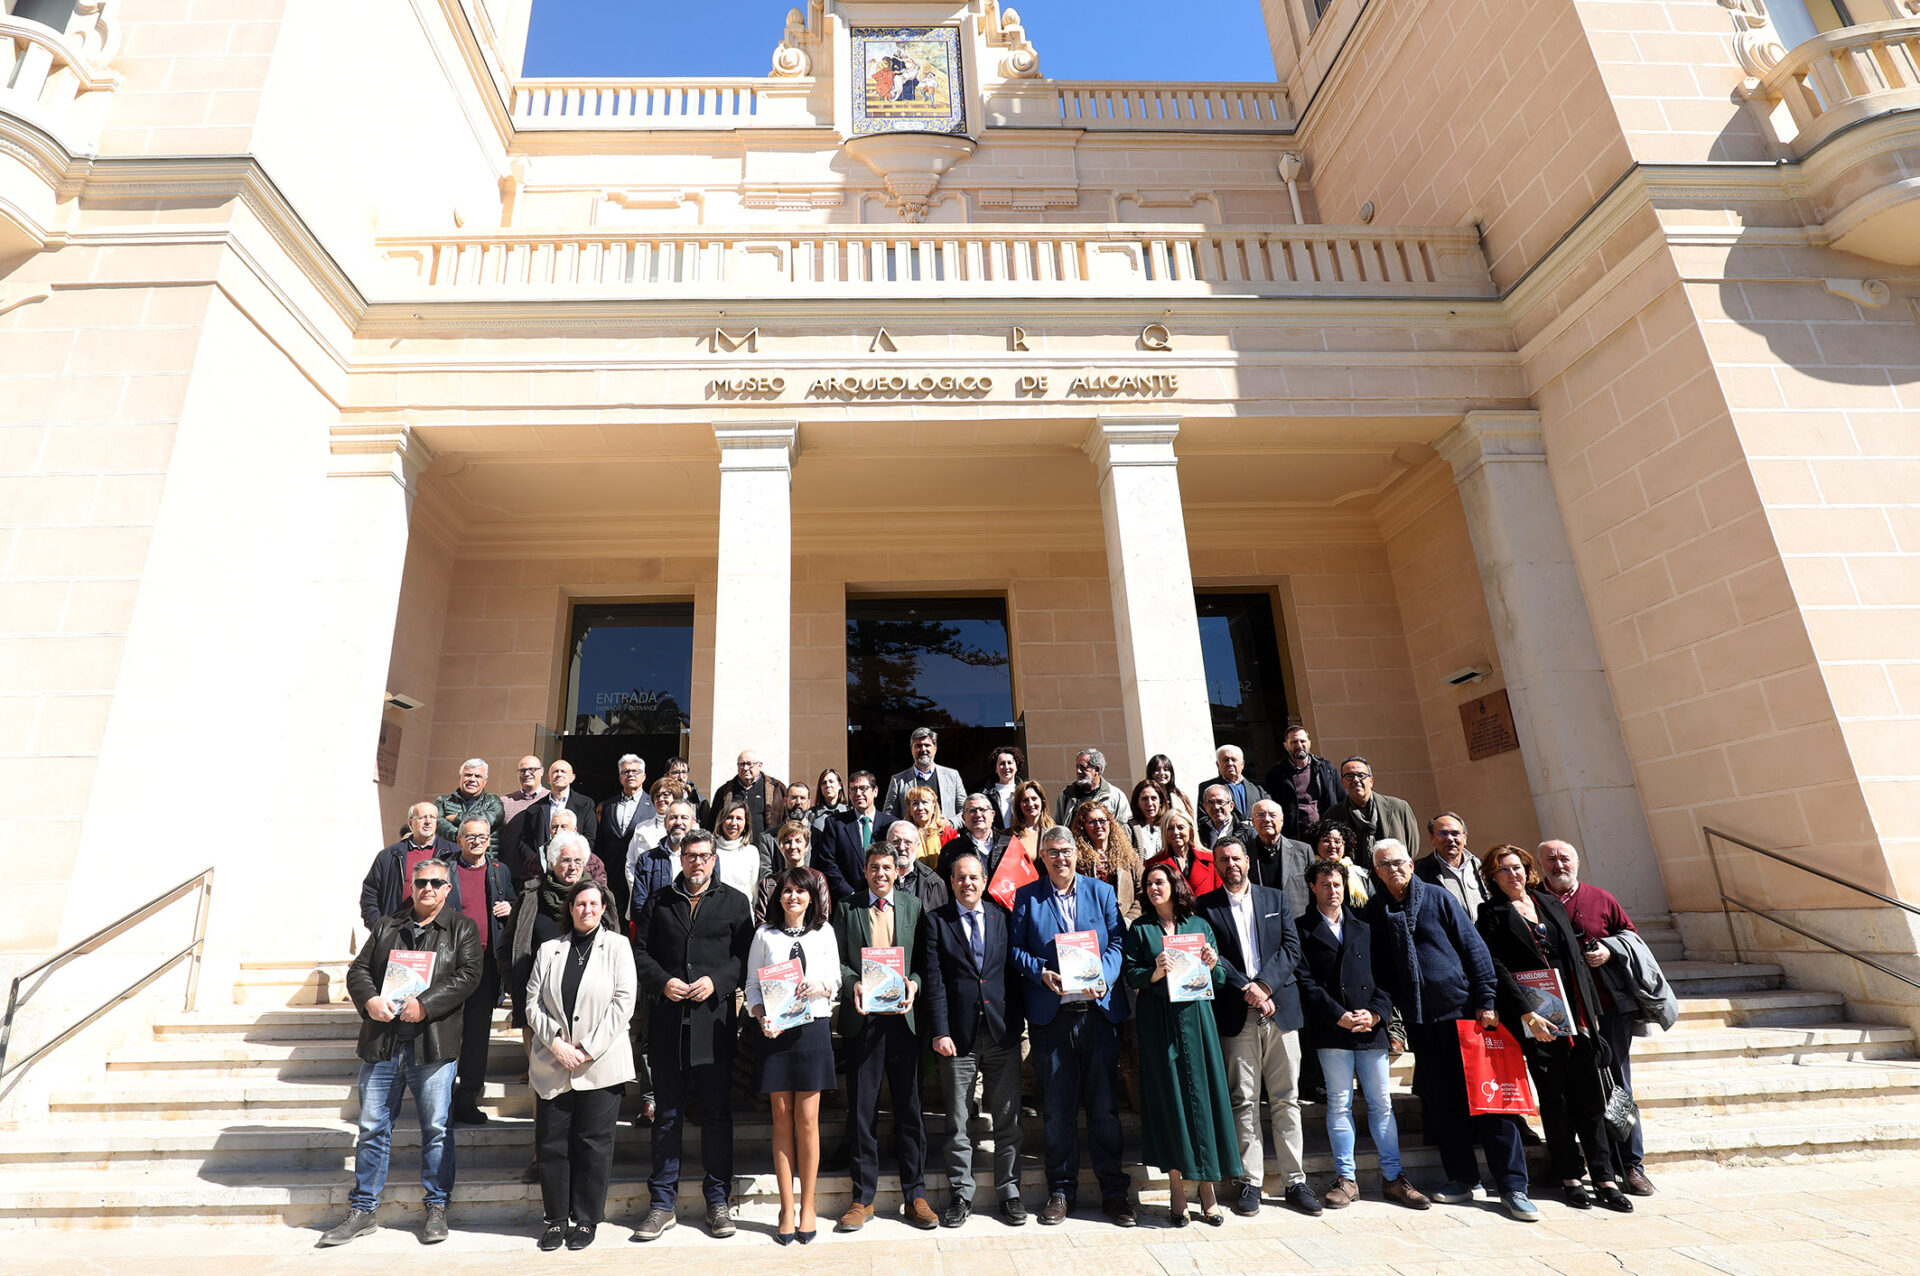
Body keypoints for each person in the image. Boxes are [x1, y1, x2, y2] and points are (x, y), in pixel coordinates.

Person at [1366, 839, 1536, 1221]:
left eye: (1399, 862)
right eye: (1384, 864)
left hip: (1465, 1015)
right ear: (1375, 871)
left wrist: (1487, 999)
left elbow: (1474, 949)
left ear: (1410, 864)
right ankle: (1462, 1178)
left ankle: (1513, 1186)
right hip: (1422, 1023)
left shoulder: (1439, 898)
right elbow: (1382, 968)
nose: (1393, 869)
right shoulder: (1377, 910)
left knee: (1490, 1103)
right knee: (1443, 1104)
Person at [324, 857, 481, 1246]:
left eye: (436, 882)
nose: (427, 888)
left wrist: (426, 1003)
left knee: (437, 1129)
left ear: (448, 888)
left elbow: (468, 976)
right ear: (411, 886)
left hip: (433, 1046)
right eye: (421, 881)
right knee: (373, 1128)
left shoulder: (461, 928)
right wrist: (369, 1000)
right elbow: (359, 969)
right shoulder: (386, 925)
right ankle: (363, 1209)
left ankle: (437, 1207)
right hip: (384, 1044)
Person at [1476, 845, 1633, 1213]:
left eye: (1517, 867)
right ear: (1493, 877)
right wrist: (1528, 1013)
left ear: (1527, 870)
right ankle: (1569, 1176)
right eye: (1504, 870)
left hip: (1576, 1015)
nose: (1513, 875)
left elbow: (1577, 960)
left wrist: (1591, 1013)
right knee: (1556, 1098)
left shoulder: (1549, 903)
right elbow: (1496, 966)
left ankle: (1605, 1175)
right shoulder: (1491, 913)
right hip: (1537, 1019)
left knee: (1591, 1097)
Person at [630, 829, 755, 1241]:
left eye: (704, 855)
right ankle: (662, 1204)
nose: (697, 862)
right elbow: (641, 953)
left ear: (714, 859)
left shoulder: (735, 902)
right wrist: (662, 981)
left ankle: (717, 1201)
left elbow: (744, 956)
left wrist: (717, 981)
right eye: (690, 856)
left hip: (713, 1025)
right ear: (680, 859)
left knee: (717, 1116)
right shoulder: (659, 902)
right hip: (667, 1023)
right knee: (666, 1117)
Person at [1009, 826, 1134, 1228]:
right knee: (1058, 1112)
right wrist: (1040, 972)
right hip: (1052, 1018)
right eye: (1051, 852)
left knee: (1104, 1110)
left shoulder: (1101, 892)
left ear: (1075, 855)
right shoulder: (1028, 896)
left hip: (1098, 1015)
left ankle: (1114, 1193)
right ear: (1041, 857)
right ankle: (1061, 1191)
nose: (1060, 858)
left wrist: (1106, 976)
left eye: (1065, 851)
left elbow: (1117, 942)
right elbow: (1015, 949)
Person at [1194, 839, 1318, 1217]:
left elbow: (1291, 950)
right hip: (1236, 1013)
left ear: (1247, 861)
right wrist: (1246, 988)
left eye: (1236, 858)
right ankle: (1251, 1180)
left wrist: (1264, 986)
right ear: (1214, 865)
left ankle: (1295, 1180)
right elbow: (1211, 957)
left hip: (1280, 1008)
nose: (1230, 864)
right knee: (1243, 1099)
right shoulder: (1206, 907)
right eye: (1223, 860)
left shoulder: (1274, 898)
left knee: (1286, 1098)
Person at [1295, 859, 1427, 1210]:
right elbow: (1305, 982)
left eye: (1337, 884)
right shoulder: (1302, 928)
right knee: (1339, 1104)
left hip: (1370, 1029)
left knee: (1382, 1104)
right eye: (1324, 884)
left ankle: (1394, 1178)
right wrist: (1337, 1016)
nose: (1332, 890)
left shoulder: (1366, 927)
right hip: (1332, 1030)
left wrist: (1376, 1013)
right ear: (1313, 888)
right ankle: (1346, 1179)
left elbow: (1386, 977)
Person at [1539, 838, 1662, 1197]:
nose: (1557, 864)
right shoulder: (1532, 901)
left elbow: (1631, 938)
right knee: (1563, 1090)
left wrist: (1609, 950)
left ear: (1577, 862)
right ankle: (1572, 1163)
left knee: (1616, 1083)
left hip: (1607, 1009)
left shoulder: (1601, 898)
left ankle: (1630, 1164)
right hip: (1558, 1010)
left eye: (1564, 858)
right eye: (1550, 859)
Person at [832, 841, 940, 1232]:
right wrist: (853, 984)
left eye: (887, 867)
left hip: (903, 1021)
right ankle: (863, 1199)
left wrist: (913, 984)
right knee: (862, 1111)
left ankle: (916, 1195)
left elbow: (924, 962)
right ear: (865, 871)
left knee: (910, 1110)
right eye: (874, 867)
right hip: (864, 1020)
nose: (881, 873)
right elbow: (839, 961)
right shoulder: (848, 907)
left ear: (898, 871)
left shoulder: (912, 906)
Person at [1124, 860, 1239, 1227]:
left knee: (1202, 1101)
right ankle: (1176, 1187)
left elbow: (1219, 978)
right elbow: (1130, 974)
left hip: (1197, 1021)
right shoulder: (1141, 929)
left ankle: (1207, 1190)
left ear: (1175, 884)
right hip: (1159, 1023)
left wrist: (1212, 961)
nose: (1154, 888)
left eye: (1160, 882)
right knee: (1171, 1101)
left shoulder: (1199, 925)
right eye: (1149, 884)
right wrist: (1155, 970)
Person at [525, 879, 636, 1250]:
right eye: (579, 904)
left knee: (594, 1145)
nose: (586, 910)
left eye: (593, 904)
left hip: (599, 1063)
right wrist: (556, 1043)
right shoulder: (548, 950)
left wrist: (586, 1049)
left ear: (604, 908)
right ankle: (556, 1219)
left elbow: (623, 1003)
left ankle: (587, 1220)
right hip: (553, 1062)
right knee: (553, 1143)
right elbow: (531, 1003)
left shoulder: (618, 947)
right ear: (569, 908)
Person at [926, 851, 1026, 1227]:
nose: (967, 883)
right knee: (957, 1121)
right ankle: (961, 1193)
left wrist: (1017, 1025)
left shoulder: (1002, 917)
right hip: (957, 1037)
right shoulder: (937, 922)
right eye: (960, 877)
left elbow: (1012, 975)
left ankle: (1010, 1191)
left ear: (984, 880)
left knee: (1008, 1120)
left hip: (1002, 1033)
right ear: (951, 882)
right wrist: (939, 1030)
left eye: (973, 877)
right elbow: (934, 980)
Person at [746, 866, 841, 1244]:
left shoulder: (824, 933)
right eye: (786, 891)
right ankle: (786, 1207)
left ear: (811, 898)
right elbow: (752, 986)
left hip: (813, 1031)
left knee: (807, 1121)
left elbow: (834, 980)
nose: (793, 897)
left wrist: (819, 984)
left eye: (800, 892)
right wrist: (760, 1016)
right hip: (776, 1033)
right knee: (782, 1120)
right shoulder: (764, 935)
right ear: (778, 897)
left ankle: (808, 1206)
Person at [448, 818, 514, 1127]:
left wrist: (510, 908)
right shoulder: (444, 871)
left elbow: (515, 904)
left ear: (490, 841)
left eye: (482, 837)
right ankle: (441, 1096)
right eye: (470, 836)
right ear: (459, 840)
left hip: (486, 966)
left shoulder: (500, 872)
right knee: (447, 1031)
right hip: (450, 966)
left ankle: (467, 1097)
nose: (477, 841)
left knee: (476, 1036)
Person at [361, 803, 458, 930]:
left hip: (440, 931)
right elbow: (370, 893)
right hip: (397, 929)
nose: (428, 821)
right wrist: (379, 927)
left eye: (432, 817)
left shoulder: (453, 854)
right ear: (410, 823)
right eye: (422, 817)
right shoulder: (389, 856)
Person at [594, 754, 654, 922]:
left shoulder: (653, 805)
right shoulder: (607, 806)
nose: (630, 775)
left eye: (636, 771)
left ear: (644, 776)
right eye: (626, 771)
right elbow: (601, 841)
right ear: (620, 778)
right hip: (611, 873)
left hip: (638, 874)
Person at [517, 760, 598, 881]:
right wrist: (538, 861)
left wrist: (575, 861)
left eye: (563, 771)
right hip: (541, 873)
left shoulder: (585, 805)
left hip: (574, 872)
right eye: (555, 771)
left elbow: (590, 838)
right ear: (548, 779)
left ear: (572, 778)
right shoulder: (534, 809)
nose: (559, 774)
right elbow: (524, 842)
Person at [816, 770, 887, 902]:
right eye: (853, 789)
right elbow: (827, 862)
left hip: (883, 900)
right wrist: (849, 892)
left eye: (863, 788)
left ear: (875, 791)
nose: (858, 794)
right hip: (847, 900)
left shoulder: (890, 824)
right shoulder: (835, 823)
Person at [1072, 797, 1143, 923]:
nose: (1098, 826)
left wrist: (1129, 918)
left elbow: (1143, 891)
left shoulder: (1128, 856)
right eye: (1091, 822)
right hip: (1092, 924)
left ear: (1110, 823)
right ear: (1083, 826)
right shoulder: (1077, 859)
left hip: (1125, 923)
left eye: (1102, 821)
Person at [1264, 726, 1341, 842]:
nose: (1299, 745)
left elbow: (1341, 798)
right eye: (1294, 742)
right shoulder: (1276, 775)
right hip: (1295, 838)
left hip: (1326, 836)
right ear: (1286, 745)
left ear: (1309, 743)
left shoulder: (1326, 769)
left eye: (1303, 741)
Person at [1329, 756, 1418, 851]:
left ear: (1371, 781)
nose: (1355, 780)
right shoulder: (1333, 815)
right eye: (1349, 776)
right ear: (1342, 783)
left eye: (1361, 775)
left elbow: (1412, 847)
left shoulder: (1399, 807)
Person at [1416, 812, 1490, 919]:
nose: (1450, 839)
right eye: (1443, 833)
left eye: (1455, 833)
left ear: (1464, 838)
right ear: (1432, 838)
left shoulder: (1482, 866)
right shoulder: (1419, 872)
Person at [884, 726, 967, 819]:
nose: (923, 749)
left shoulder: (952, 776)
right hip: (912, 833)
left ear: (935, 748)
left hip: (945, 832)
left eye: (927, 745)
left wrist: (951, 823)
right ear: (912, 749)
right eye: (918, 746)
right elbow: (888, 816)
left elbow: (965, 811)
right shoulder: (898, 780)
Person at [1249, 799, 1314, 916]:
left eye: (1272, 815)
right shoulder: (1245, 853)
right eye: (1261, 815)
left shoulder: (1303, 851)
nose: (1267, 819)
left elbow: (1315, 889)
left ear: (1282, 820)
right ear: (1253, 821)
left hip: (1296, 922)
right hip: (1258, 921)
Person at [711, 798, 775, 915]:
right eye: (729, 817)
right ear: (721, 820)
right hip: (714, 913)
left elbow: (754, 890)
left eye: (739, 818)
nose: (733, 823)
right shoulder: (710, 849)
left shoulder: (751, 852)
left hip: (742, 914)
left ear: (746, 824)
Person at [709, 749, 789, 841]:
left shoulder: (777, 789)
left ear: (760, 765)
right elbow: (713, 823)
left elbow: (786, 821)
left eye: (749, 764)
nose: (745, 768)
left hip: (765, 850)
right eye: (742, 764)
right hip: (733, 849)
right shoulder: (724, 791)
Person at [434, 758, 506, 856]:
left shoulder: (493, 801)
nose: (472, 779)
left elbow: (489, 819)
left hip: (485, 861)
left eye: (478, 776)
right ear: (460, 778)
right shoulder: (443, 801)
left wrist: (457, 818)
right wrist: (463, 837)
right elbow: (436, 823)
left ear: (485, 781)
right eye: (468, 775)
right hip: (449, 859)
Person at [1150, 803, 1219, 897]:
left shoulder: (1210, 859)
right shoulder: (1154, 863)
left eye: (1180, 827)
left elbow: (1220, 894)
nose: (1175, 832)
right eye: (1170, 828)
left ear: (1191, 830)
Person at [887, 818, 953, 915]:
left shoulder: (934, 883)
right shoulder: (874, 879)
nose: (901, 847)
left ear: (917, 846)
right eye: (896, 842)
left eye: (908, 842)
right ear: (887, 844)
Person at [1306, 816, 1373, 908]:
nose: (1332, 845)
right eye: (1326, 841)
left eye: (1337, 841)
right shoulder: (1309, 873)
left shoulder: (1361, 873)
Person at [1053, 747, 1130, 827]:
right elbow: (1057, 826)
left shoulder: (1115, 796)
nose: (1078, 771)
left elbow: (1124, 828)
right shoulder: (1066, 795)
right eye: (1077, 767)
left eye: (1083, 767)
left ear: (1097, 769)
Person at [938, 793, 1006, 881]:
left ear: (992, 815)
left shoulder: (1009, 844)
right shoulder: (951, 850)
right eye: (972, 810)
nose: (978, 814)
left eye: (982, 809)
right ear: (963, 818)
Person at [756, 819, 815, 919]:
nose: (793, 846)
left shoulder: (817, 879)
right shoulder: (768, 883)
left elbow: (821, 919)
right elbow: (761, 920)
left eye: (798, 841)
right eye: (787, 842)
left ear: (807, 846)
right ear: (780, 846)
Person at [1199, 745, 1268, 822]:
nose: (1230, 763)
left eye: (1234, 760)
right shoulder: (1207, 787)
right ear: (1218, 765)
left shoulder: (1258, 788)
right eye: (1225, 760)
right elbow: (1203, 819)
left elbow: (1268, 812)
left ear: (1242, 764)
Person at [500, 756, 550, 859]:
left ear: (542, 771)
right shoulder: (505, 801)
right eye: (522, 770)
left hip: (538, 870)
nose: (527, 774)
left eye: (532, 769)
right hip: (509, 869)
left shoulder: (551, 800)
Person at [1002, 779, 1053, 869]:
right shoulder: (1007, 835)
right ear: (1019, 805)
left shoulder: (1054, 832)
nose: (1030, 804)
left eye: (1034, 798)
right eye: (1025, 800)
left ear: (1042, 801)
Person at [1198, 782, 1256, 853]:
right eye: (1211, 802)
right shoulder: (1199, 833)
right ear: (1205, 807)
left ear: (1231, 806)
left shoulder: (1247, 832)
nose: (1216, 807)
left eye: (1220, 802)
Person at [982, 746, 1024, 832]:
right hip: (996, 841)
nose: (1006, 767)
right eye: (1002, 763)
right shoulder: (985, 795)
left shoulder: (1025, 791)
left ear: (1016, 766)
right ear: (996, 768)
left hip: (1021, 839)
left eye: (1010, 763)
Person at [1145, 753, 1195, 818]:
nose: (1162, 773)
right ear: (1151, 773)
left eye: (1166, 769)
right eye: (1157, 770)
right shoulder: (1145, 797)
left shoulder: (1181, 796)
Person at [1130, 779, 1168, 859]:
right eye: (1144, 799)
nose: (1149, 803)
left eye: (1153, 798)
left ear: (1160, 801)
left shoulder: (1168, 826)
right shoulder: (1129, 829)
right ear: (1137, 802)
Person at [663, 756, 706, 822]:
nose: (681, 777)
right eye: (676, 773)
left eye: (684, 772)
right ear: (666, 776)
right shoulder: (660, 797)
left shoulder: (699, 800)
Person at [810, 768, 848, 832]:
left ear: (840, 785)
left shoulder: (850, 812)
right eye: (824, 783)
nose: (827, 785)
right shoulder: (811, 814)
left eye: (831, 781)